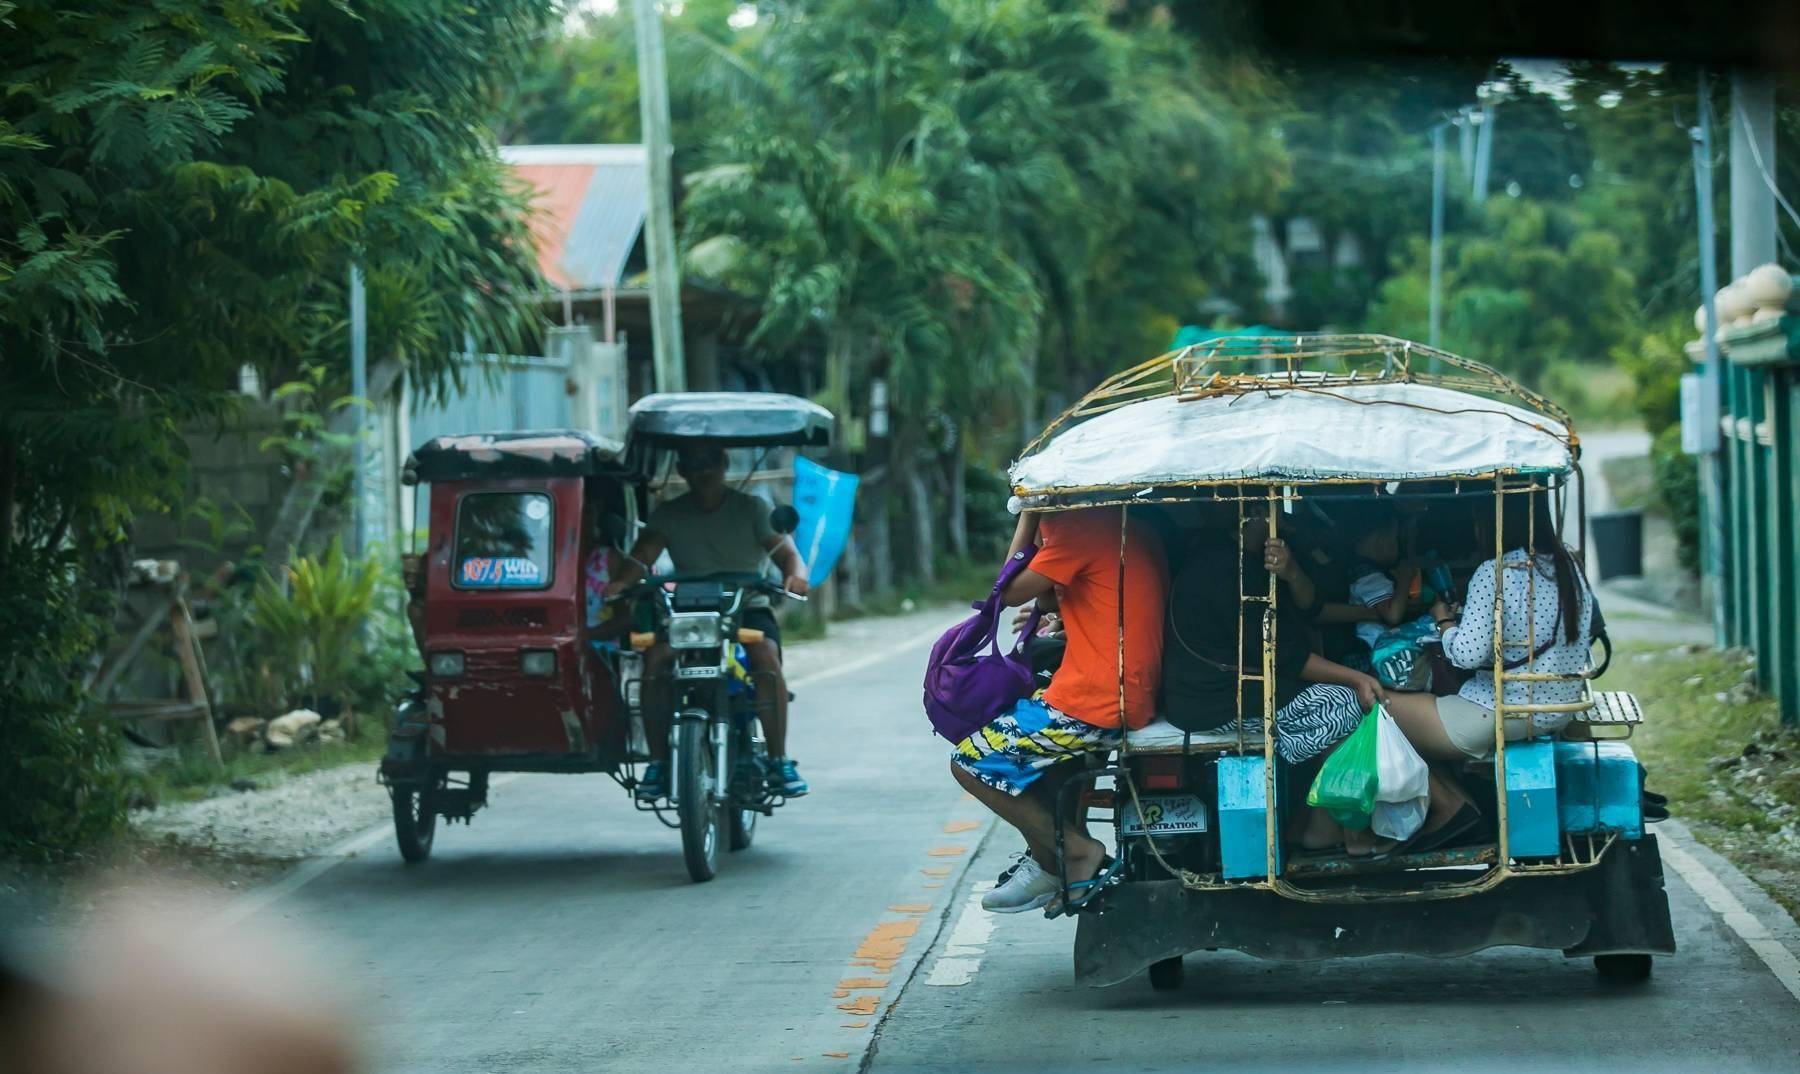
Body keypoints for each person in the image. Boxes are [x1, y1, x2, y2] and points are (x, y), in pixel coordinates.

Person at [954, 507, 1167, 915]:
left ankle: (1072, 852)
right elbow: (1067, 596)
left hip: (1093, 701)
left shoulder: (1080, 529)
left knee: (969, 760)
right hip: (1130, 692)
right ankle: (1047, 858)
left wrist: (1026, 518)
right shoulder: (1128, 523)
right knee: (1032, 743)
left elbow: (1008, 590)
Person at [1159, 507, 1388, 853]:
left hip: (1226, 687)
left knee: (1331, 697)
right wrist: (1355, 679)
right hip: (1210, 700)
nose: (1283, 521)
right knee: (1339, 704)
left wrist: (1292, 571)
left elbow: (1309, 609)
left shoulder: (1246, 561)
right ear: (1251, 515)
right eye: (1273, 513)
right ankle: (1343, 829)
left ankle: (1315, 822)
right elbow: (1285, 656)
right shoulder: (1226, 569)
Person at [1382, 490, 1597, 850]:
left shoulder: (1495, 572)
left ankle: (1452, 806)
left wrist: (1443, 621)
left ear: (1490, 521)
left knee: (1375, 705)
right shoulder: (1570, 565)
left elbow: (1466, 654)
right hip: (1559, 708)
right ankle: (1463, 803)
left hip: (1502, 712)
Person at [608, 441, 811, 798]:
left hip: (745, 605)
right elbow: (642, 557)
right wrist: (621, 582)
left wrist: (796, 575)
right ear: (682, 470)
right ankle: (656, 764)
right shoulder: (669, 514)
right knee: (654, 660)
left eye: (709, 461)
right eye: (693, 462)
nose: (703, 470)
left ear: (723, 463)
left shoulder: (752, 508)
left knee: (764, 654)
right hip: (688, 610)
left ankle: (779, 759)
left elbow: (788, 557)